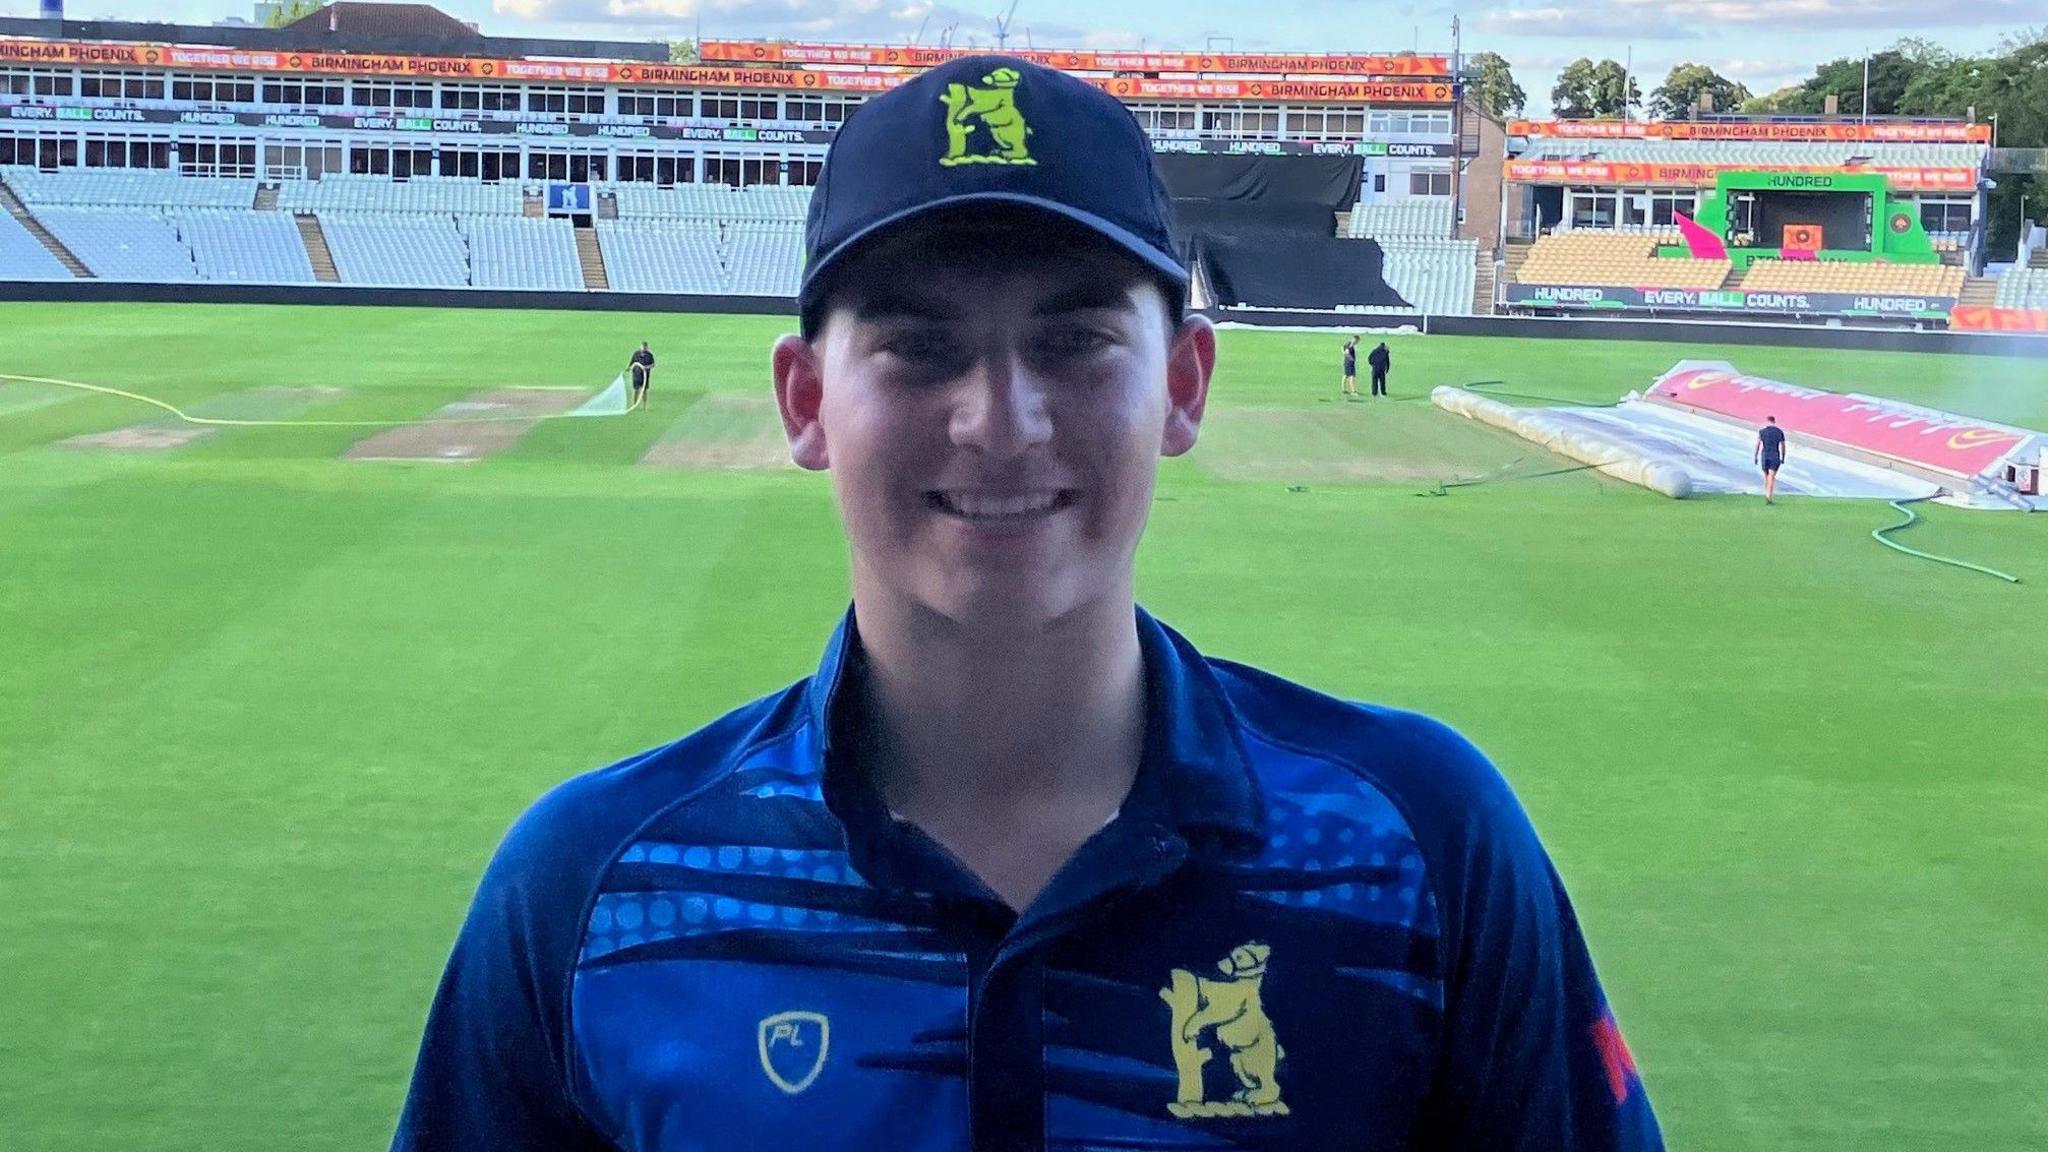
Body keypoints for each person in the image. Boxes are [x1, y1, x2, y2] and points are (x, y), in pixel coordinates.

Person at [391, 55, 1663, 1152]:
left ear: (1181, 384)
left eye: (1070, 342)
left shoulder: (1421, 849)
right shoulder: (591, 890)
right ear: (803, 402)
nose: (999, 423)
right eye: (917, 346)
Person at [1755, 415, 1787, 504]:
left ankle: (1766, 494)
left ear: (1767, 421)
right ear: (1774, 421)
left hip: (1765, 455)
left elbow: (1757, 445)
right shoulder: (1779, 432)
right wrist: (1783, 457)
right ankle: (1769, 496)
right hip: (1775, 455)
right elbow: (1783, 446)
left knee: (1766, 476)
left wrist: (1755, 456)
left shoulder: (1762, 432)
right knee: (1771, 477)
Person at [627, 342, 655, 410]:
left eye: (645, 347)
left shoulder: (649, 355)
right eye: (642, 347)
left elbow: (653, 364)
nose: (643, 348)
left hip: (645, 375)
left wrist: (646, 367)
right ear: (640, 347)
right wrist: (629, 368)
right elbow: (632, 362)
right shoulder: (636, 354)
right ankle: (634, 405)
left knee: (644, 391)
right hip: (636, 375)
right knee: (635, 390)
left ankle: (644, 406)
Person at [1341, 336, 1360, 400]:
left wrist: (1345, 355)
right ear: (1355, 340)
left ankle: (1343, 389)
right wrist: (1351, 359)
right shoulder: (1350, 345)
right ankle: (1353, 391)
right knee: (1351, 376)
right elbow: (1346, 353)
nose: (1357, 342)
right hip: (1349, 363)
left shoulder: (1347, 343)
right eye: (1357, 341)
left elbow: (1342, 348)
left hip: (1346, 362)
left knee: (1345, 375)